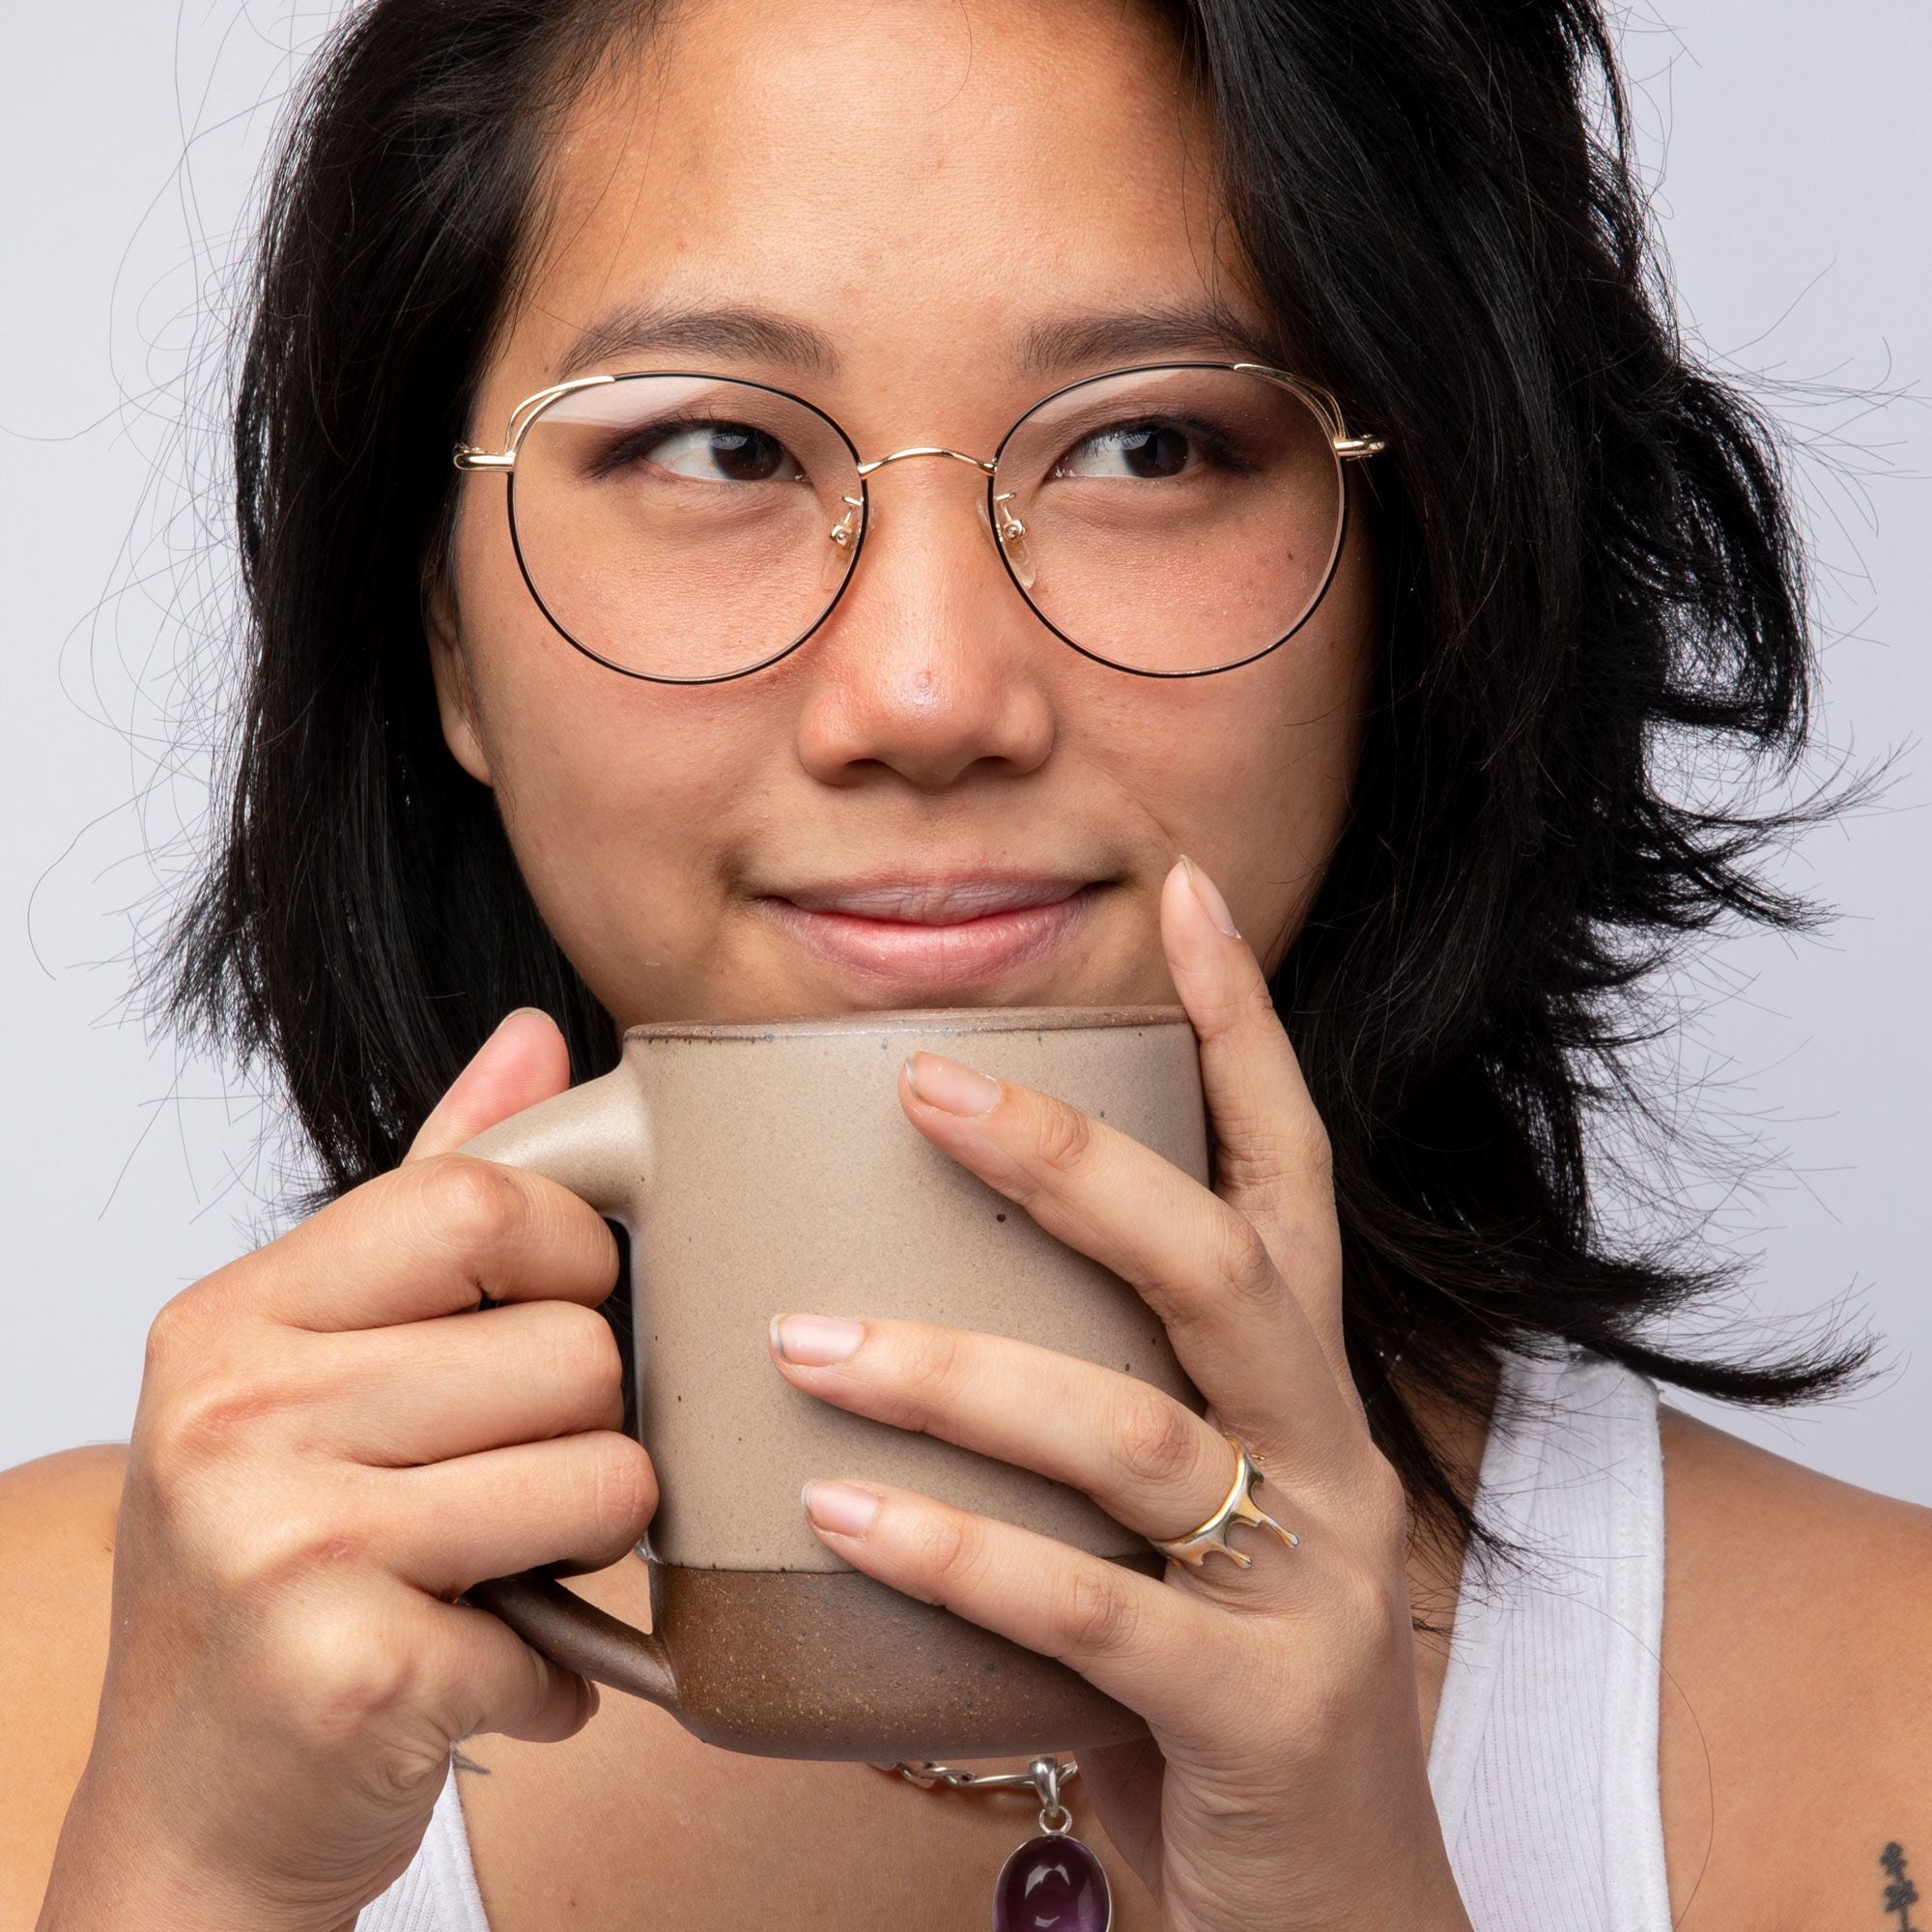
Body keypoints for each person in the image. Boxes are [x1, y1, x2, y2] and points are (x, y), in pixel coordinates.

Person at [5, 0, 1928, 1926]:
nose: (925, 691)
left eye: (1151, 442)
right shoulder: (56, 1692)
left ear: (1419, 565)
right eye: (714, 442)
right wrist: (192, 1880)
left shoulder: (1879, 1719)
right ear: (441, 625)